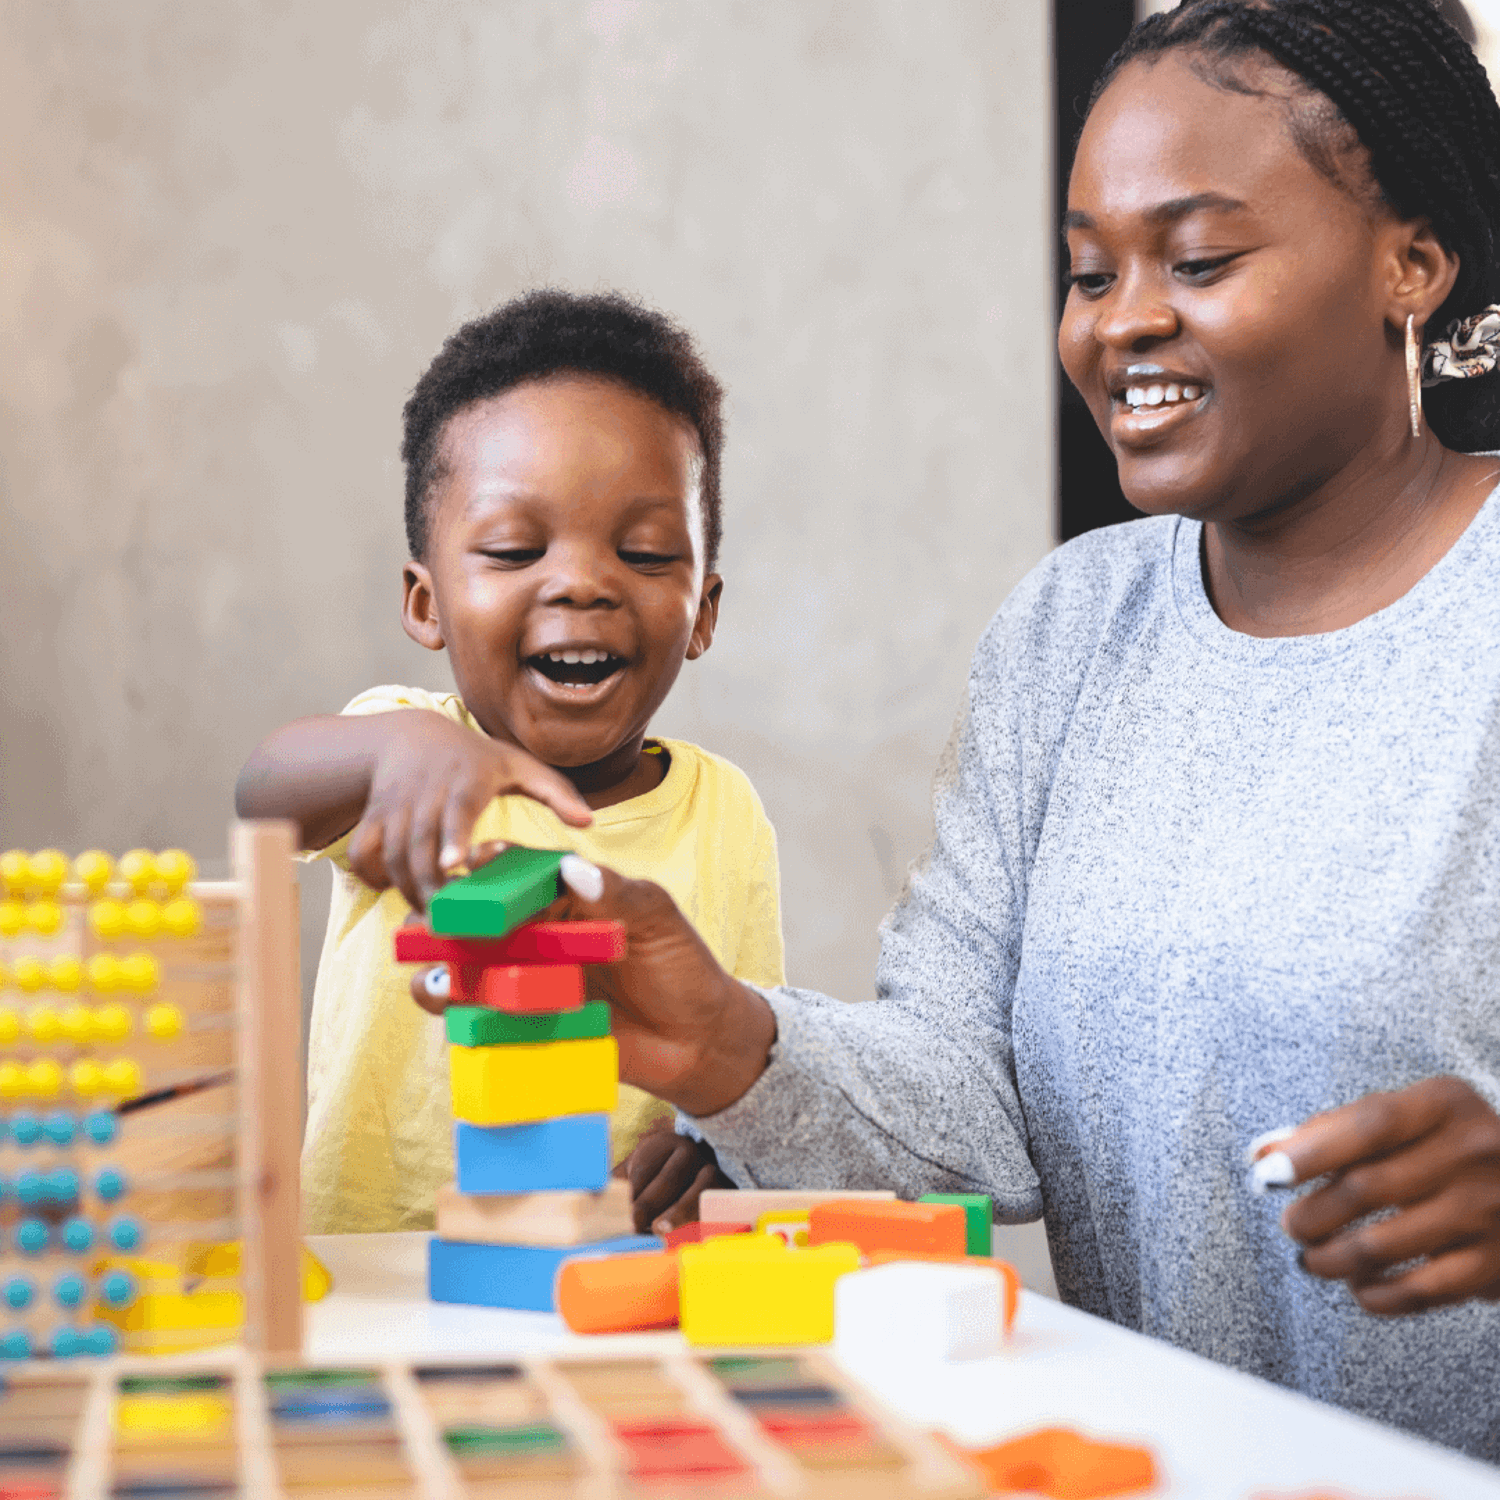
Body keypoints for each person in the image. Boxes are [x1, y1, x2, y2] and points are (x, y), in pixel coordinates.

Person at [530, 0, 1500, 1463]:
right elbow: (966, 1110)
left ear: (1409, 263)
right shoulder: (1070, 630)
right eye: (1089, 271)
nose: (1123, 321)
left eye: (1201, 258)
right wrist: (732, 1041)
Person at [235, 290, 784, 1235]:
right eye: (513, 548)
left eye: (647, 554)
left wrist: (710, 1145)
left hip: (599, 1279)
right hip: (370, 1278)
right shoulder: (401, 746)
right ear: (426, 602)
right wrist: (398, 753)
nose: (582, 581)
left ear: (703, 611)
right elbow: (263, 791)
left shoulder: (725, 812)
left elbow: (750, 1053)